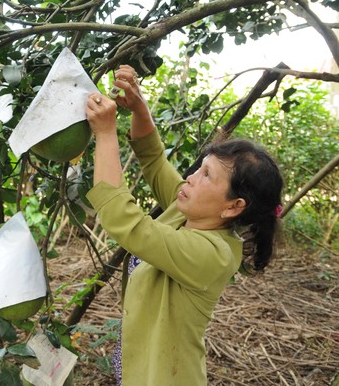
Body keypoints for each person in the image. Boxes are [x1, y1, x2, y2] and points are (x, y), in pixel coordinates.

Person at [84, 65, 284, 386]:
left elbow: (126, 223)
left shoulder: (213, 253)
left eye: (206, 175)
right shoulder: (188, 209)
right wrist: (139, 107)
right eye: (199, 168)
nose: (191, 177)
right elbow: (153, 160)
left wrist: (105, 133)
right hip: (140, 366)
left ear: (234, 206)